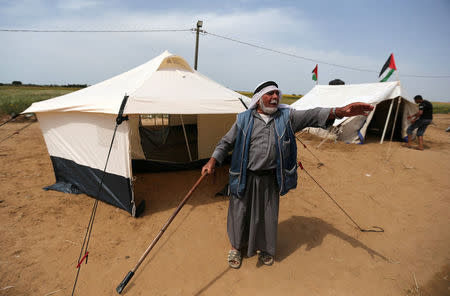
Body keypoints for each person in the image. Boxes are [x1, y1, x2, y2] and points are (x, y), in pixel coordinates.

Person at [201, 81, 374, 269]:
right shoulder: (243, 119)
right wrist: (213, 160)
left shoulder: (287, 117)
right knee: (239, 212)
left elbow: (312, 114)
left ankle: (266, 248)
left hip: (271, 178)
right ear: (259, 99)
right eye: (270, 94)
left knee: (267, 215)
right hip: (245, 176)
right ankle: (236, 247)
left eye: (277, 93)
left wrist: (339, 112)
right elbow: (226, 142)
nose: (275, 97)